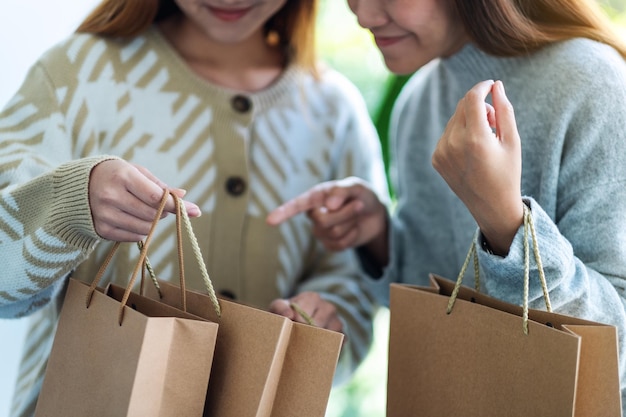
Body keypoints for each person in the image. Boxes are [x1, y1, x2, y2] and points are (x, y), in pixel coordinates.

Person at [0, 0, 390, 415]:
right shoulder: (73, 75)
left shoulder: (335, 111)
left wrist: (324, 323)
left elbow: (353, 287)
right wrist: (71, 202)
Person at [267, 0, 626, 409]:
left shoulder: (594, 83)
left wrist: (506, 222)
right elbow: (448, 300)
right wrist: (381, 237)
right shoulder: (418, 99)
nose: (364, 16)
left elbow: (616, 346)